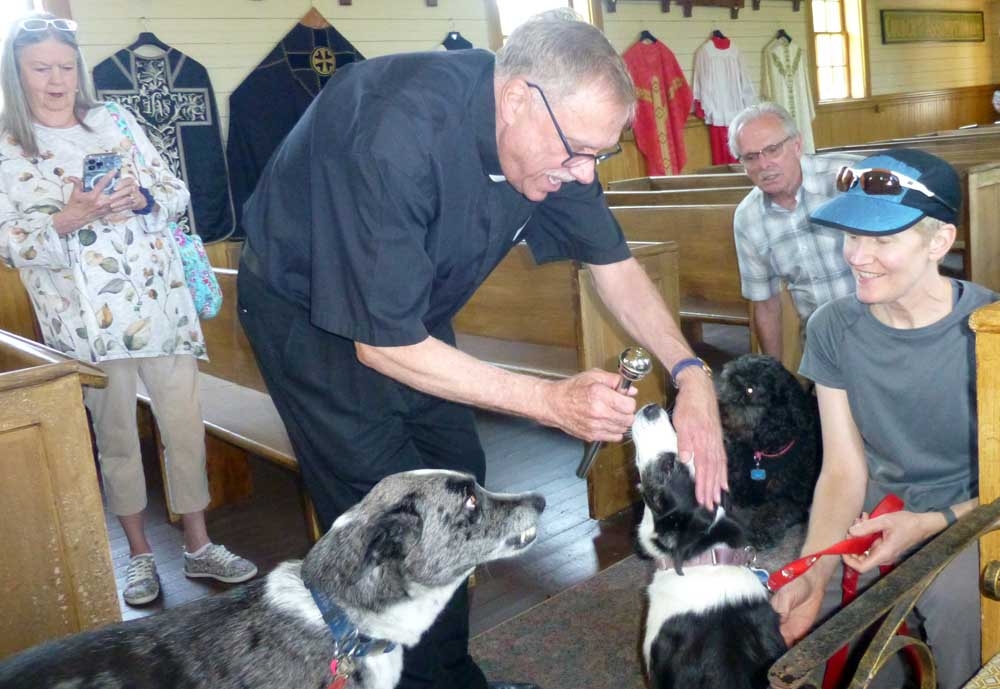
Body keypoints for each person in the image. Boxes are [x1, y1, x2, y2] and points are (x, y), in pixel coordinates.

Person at [236, 9, 726, 689]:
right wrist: (548, 401)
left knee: (458, 482)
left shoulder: (555, 142)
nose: (585, 175)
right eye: (577, 152)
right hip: (307, 315)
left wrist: (691, 372)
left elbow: (614, 266)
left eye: (600, 154)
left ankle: (452, 675)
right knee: (390, 519)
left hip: (408, 313)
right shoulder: (392, 134)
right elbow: (382, 346)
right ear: (518, 99)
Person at [0, 13, 256, 607]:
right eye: (41, 69)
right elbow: (9, 242)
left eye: (67, 67)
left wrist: (141, 198)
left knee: (183, 426)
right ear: (16, 73)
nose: (57, 81)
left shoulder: (115, 120)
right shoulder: (7, 147)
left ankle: (198, 543)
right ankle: (140, 556)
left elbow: (174, 191)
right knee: (114, 436)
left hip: (157, 298)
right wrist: (68, 219)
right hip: (83, 319)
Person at [770, 148, 993, 689]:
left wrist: (930, 525)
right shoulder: (832, 328)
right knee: (811, 618)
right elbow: (843, 471)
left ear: (938, 242)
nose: (857, 256)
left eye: (883, 240)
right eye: (852, 235)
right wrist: (814, 567)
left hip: (977, 511)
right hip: (877, 510)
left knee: (956, 601)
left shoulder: (989, 331)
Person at [728, 102, 860, 360]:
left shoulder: (848, 178)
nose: (764, 164)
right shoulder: (748, 218)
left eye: (772, 150)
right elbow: (765, 304)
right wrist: (774, 372)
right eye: (751, 157)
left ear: (797, 145)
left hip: (884, 329)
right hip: (822, 342)